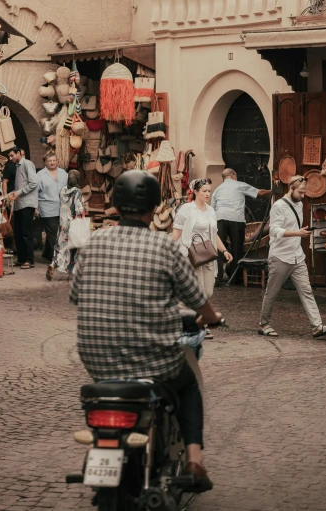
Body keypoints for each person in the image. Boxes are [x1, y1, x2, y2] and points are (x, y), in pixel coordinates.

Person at [70, 170, 224, 492]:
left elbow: (76, 295)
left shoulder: (94, 241)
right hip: (154, 361)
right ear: (155, 208)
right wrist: (210, 318)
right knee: (189, 383)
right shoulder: (163, 247)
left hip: (96, 360)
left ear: (115, 205)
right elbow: (199, 302)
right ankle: (195, 462)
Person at [258, 175, 326, 339]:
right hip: (280, 256)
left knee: (307, 291)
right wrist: (297, 233)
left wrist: (302, 232)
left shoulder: (299, 204)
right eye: (300, 192)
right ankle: (264, 324)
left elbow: (294, 227)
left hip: (297, 256)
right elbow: (274, 231)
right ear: (291, 188)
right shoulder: (278, 206)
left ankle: (317, 326)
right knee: (272, 292)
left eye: (304, 193)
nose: (303, 196)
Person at [172, 178, 232, 338]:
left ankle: (178, 311)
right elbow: (176, 234)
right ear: (196, 192)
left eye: (209, 191)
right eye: (204, 191)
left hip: (209, 256)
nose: (207, 194)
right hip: (191, 256)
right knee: (198, 292)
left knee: (208, 292)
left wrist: (224, 250)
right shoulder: (186, 210)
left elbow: (215, 234)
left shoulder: (211, 211)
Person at [211, 168, 271, 283]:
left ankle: (217, 278)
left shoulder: (217, 190)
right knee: (237, 248)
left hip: (220, 219)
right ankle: (234, 278)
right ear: (233, 175)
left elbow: (212, 209)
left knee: (219, 248)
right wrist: (273, 191)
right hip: (236, 220)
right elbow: (260, 193)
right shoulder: (239, 185)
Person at [47, 170, 86, 280]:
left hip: (62, 223)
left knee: (60, 246)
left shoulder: (63, 190)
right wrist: (85, 209)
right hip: (73, 224)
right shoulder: (77, 192)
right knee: (74, 248)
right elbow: (79, 209)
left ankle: (53, 264)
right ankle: (72, 270)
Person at [37, 152, 68, 274]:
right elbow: (36, 191)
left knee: (59, 231)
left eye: (54, 160)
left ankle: (47, 253)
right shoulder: (40, 175)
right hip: (47, 206)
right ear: (45, 162)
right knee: (53, 232)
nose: (52, 162)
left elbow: (67, 189)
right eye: (49, 161)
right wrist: (35, 207)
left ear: (57, 161)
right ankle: (56, 258)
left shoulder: (63, 173)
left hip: (62, 207)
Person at [7, 147, 38, 269]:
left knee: (26, 233)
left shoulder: (27, 163)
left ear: (19, 153)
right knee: (18, 233)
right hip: (19, 204)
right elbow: (21, 186)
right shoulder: (18, 166)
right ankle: (21, 259)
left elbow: (33, 183)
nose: (10, 159)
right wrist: (10, 195)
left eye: (12, 156)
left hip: (27, 204)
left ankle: (29, 260)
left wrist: (18, 193)